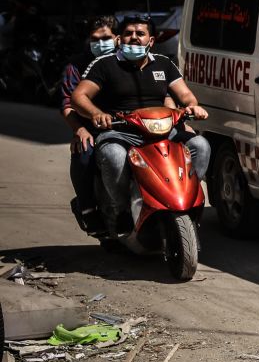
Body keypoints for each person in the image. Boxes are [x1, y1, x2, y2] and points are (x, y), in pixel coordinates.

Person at [70, 15, 211, 236]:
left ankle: (188, 199)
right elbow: (79, 97)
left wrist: (193, 107)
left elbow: (185, 96)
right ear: (119, 39)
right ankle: (122, 210)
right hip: (121, 132)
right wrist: (97, 113)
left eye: (140, 34)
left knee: (201, 146)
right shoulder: (104, 65)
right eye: (128, 34)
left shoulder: (165, 64)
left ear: (151, 41)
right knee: (114, 157)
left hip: (164, 130)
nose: (134, 38)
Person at [61, 15, 119, 232]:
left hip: (131, 125)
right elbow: (68, 105)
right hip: (93, 128)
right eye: (95, 39)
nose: (100, 43)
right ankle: (87, 209)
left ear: (117, 38)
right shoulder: (76, 66)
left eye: (105, 38)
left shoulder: (129, 61)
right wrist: (80, 128)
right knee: (83, 152)